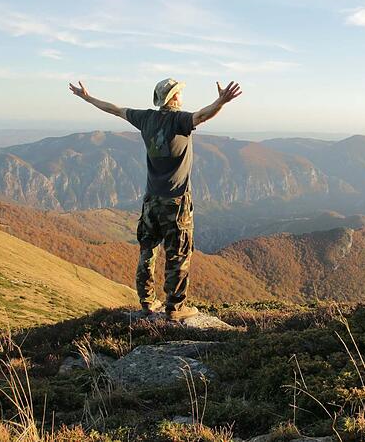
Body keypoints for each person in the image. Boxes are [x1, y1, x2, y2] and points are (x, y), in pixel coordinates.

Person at [69, 78, 242, 321]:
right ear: (173, 98)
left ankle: (147, 303)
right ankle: (174, 308)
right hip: (175, 201)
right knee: (178, 254)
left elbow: (115, 110)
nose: (181, 96)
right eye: (179, 93)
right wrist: (221, 101)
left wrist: (87, 98)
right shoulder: (179, 120)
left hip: (151, 201)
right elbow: (202, 116)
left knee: (147, 251)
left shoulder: (146, 118)